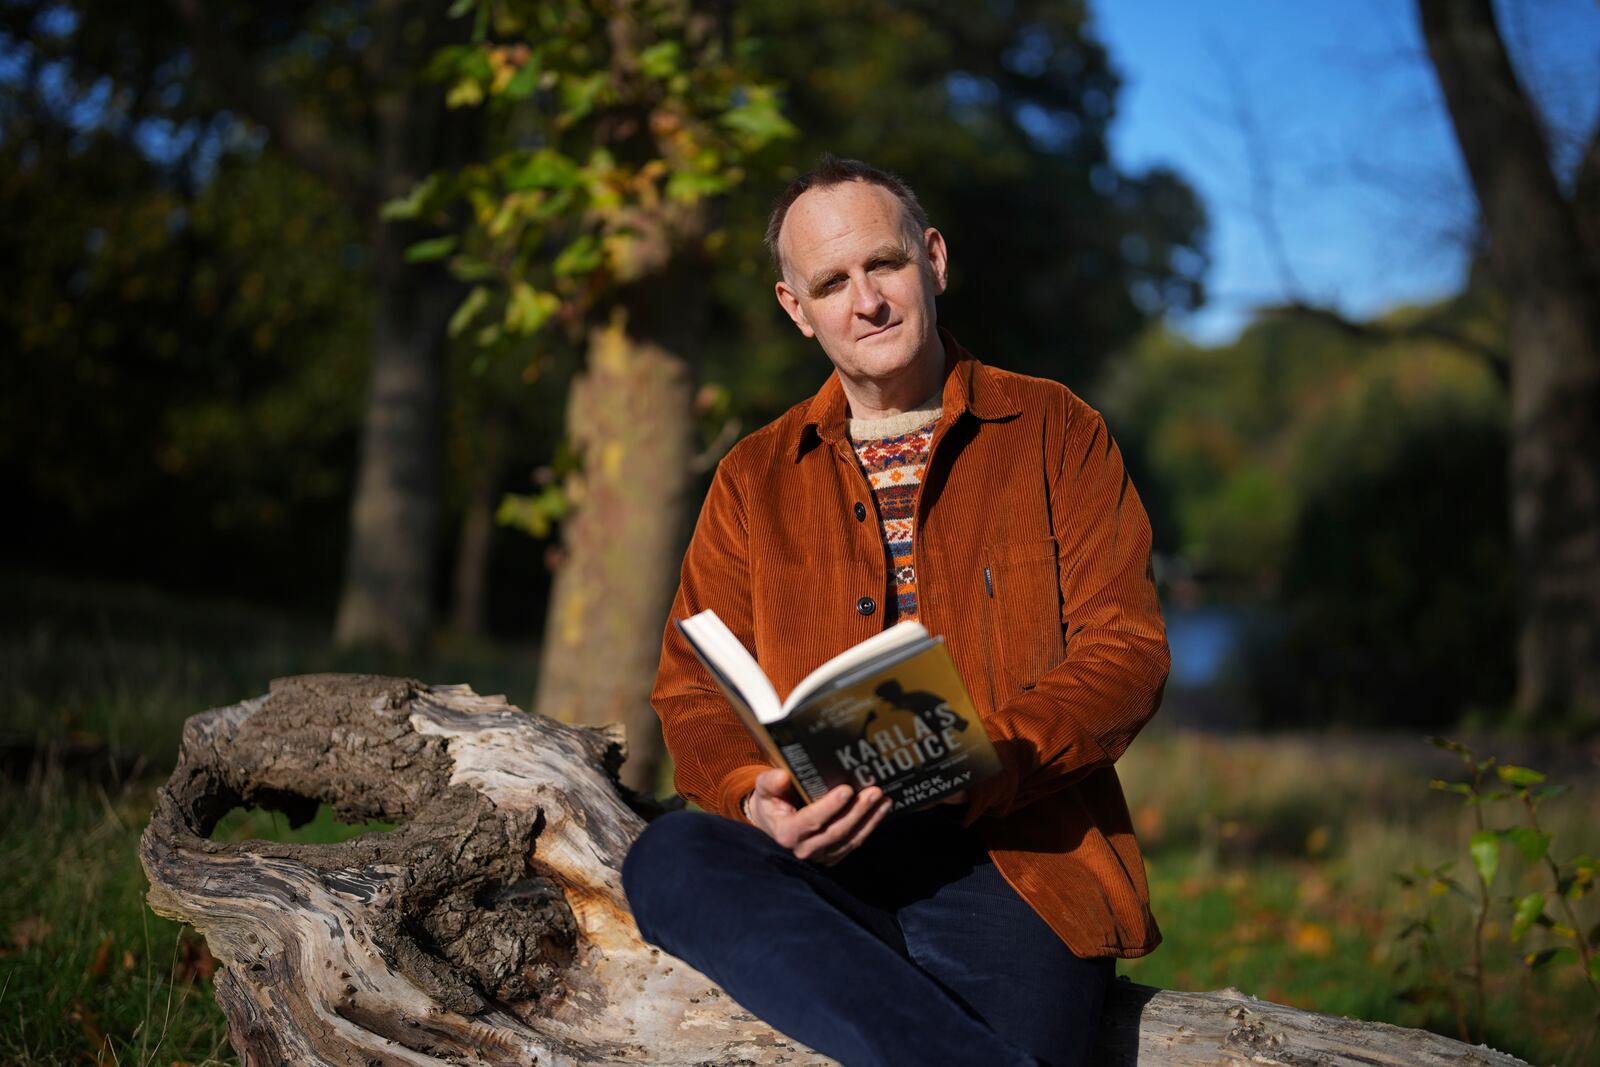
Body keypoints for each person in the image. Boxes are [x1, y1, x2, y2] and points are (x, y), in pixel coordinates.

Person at [621, 156, 1169, 1067]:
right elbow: (689, 693)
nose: (866, 301)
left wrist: (984, 755)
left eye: (883, 265)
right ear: (797, 309)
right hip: (823, 857)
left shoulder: (1054, 428)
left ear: (934, 259)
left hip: (1016, 861)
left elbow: (1126, 652)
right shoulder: (753, 476)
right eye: (832, 283)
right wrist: (750, 800)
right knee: (671, 859)